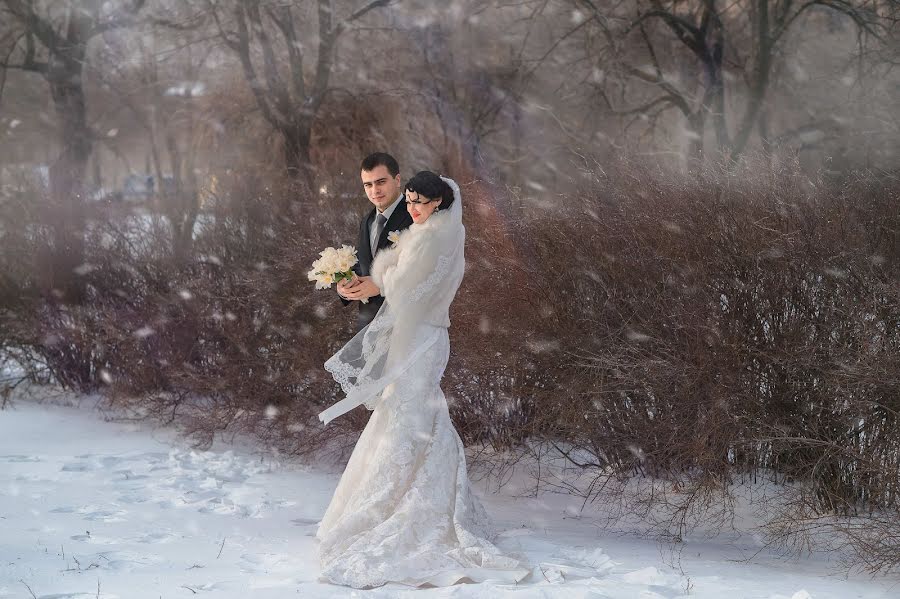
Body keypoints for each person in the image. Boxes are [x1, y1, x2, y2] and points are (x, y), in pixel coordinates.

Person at [316, 171, 532, 589]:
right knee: (411, 417)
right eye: (410, 200)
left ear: (439, 203)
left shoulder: (437, 237)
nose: (412, 209)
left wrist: (378, 282)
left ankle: (414, 510)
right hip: (417, 335)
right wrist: (376, 280)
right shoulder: (428, 232)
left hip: (424, 338)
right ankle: (420, 502)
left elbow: (411, 290)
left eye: (420, 202)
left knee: (411, 418)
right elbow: (400, 281)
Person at [337, 152, 414, 331]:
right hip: (368, 329)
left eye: (381, 182)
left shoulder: (415, 215)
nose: (374, 191)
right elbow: (363, 267)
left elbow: (424, 270)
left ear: (397, 180)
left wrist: (382, 286)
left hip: (405, 326)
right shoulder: (367, 221)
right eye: (368, 184)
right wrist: (346, 288)